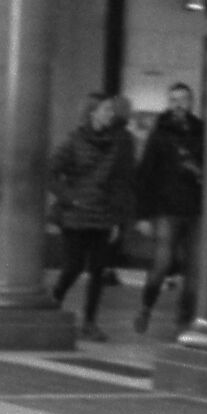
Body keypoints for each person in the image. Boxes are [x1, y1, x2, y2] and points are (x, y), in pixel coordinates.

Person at [48, 92, 137, 342]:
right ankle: (55, 298)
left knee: (98, 270)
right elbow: (50, 171)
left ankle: (89, 322)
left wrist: (118, 219)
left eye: (111, 110)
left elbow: (119, 181)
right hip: (76, 216)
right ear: (92, 113)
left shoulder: (115, 143)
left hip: (102, 214)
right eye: (106, 110)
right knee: (74, 266)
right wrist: (69, 198)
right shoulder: (73, 142)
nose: (111, 114)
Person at [133, 82, 204, 335]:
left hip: (195, 210)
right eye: (174, 99)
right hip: (167, 209)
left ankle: (185, 318)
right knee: (163, 262)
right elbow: (145, 174)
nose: (178, 104)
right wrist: (141, 215)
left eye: (183, 99)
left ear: (191, 102)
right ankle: (146, 307)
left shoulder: (201, 132)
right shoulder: (160, 134)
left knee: (194, 269)